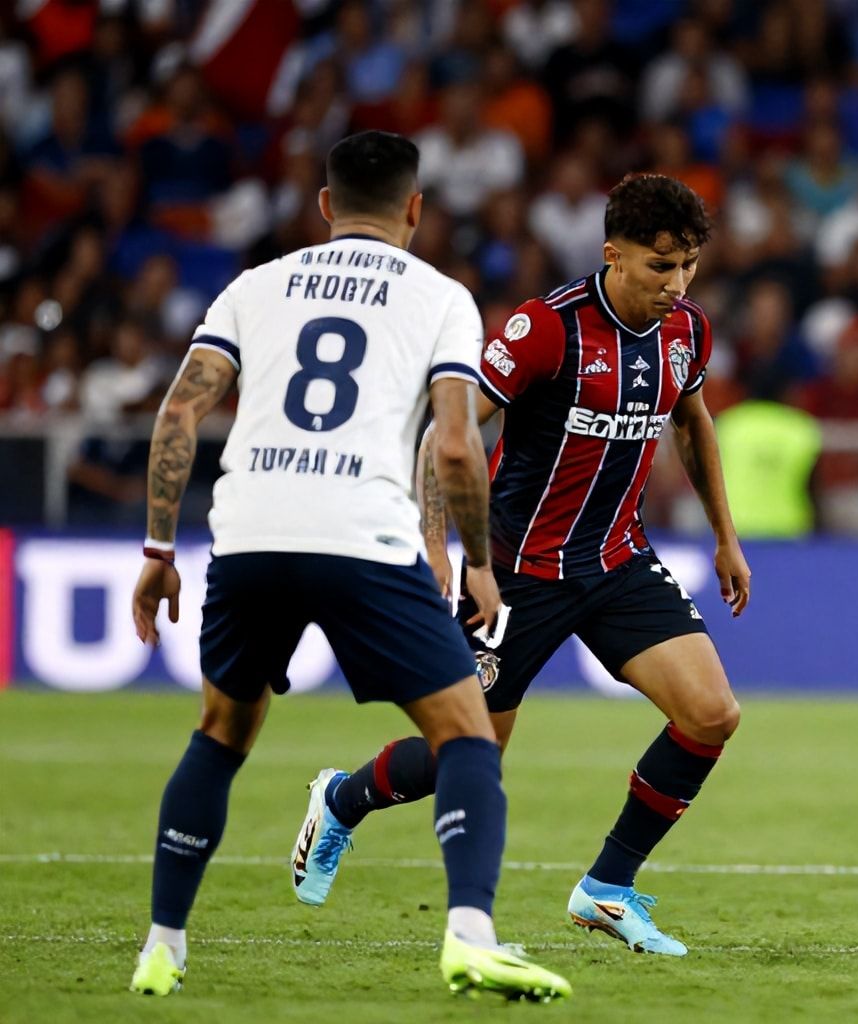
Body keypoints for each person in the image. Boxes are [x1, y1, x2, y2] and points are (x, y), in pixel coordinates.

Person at [127, 130, 569, 1000]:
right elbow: (453, 444)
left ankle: (161, 946)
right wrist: (478, 562)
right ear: (415, 208)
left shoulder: (254, 287)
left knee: (219, 734)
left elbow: (181, 411)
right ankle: (471, 935)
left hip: (251, 531)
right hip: (362, 535)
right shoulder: (442, 298)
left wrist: (156, 549)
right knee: (467, 733)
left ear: (324, 206)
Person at [289, 174, 748, 958]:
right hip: (517, 571)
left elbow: (693, 422)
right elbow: (446, 432)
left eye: (688, 266)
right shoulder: (546, 329)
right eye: (658, 266)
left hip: (617, 559)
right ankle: (340, 797)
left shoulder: (687, 334)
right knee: (468, 753)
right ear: (614, 255)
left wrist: (724, 536)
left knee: (712, 713)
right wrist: (438, 547)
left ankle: (605, 889)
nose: (676, 285)